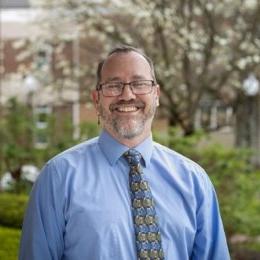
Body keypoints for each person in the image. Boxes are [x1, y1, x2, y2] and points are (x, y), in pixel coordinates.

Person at [19, 45, 230, 260]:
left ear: (156, 95)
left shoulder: (194, 181)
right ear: (96, 99)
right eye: (113, 85)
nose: (127, 95)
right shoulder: (58, 177)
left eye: (139, 84)